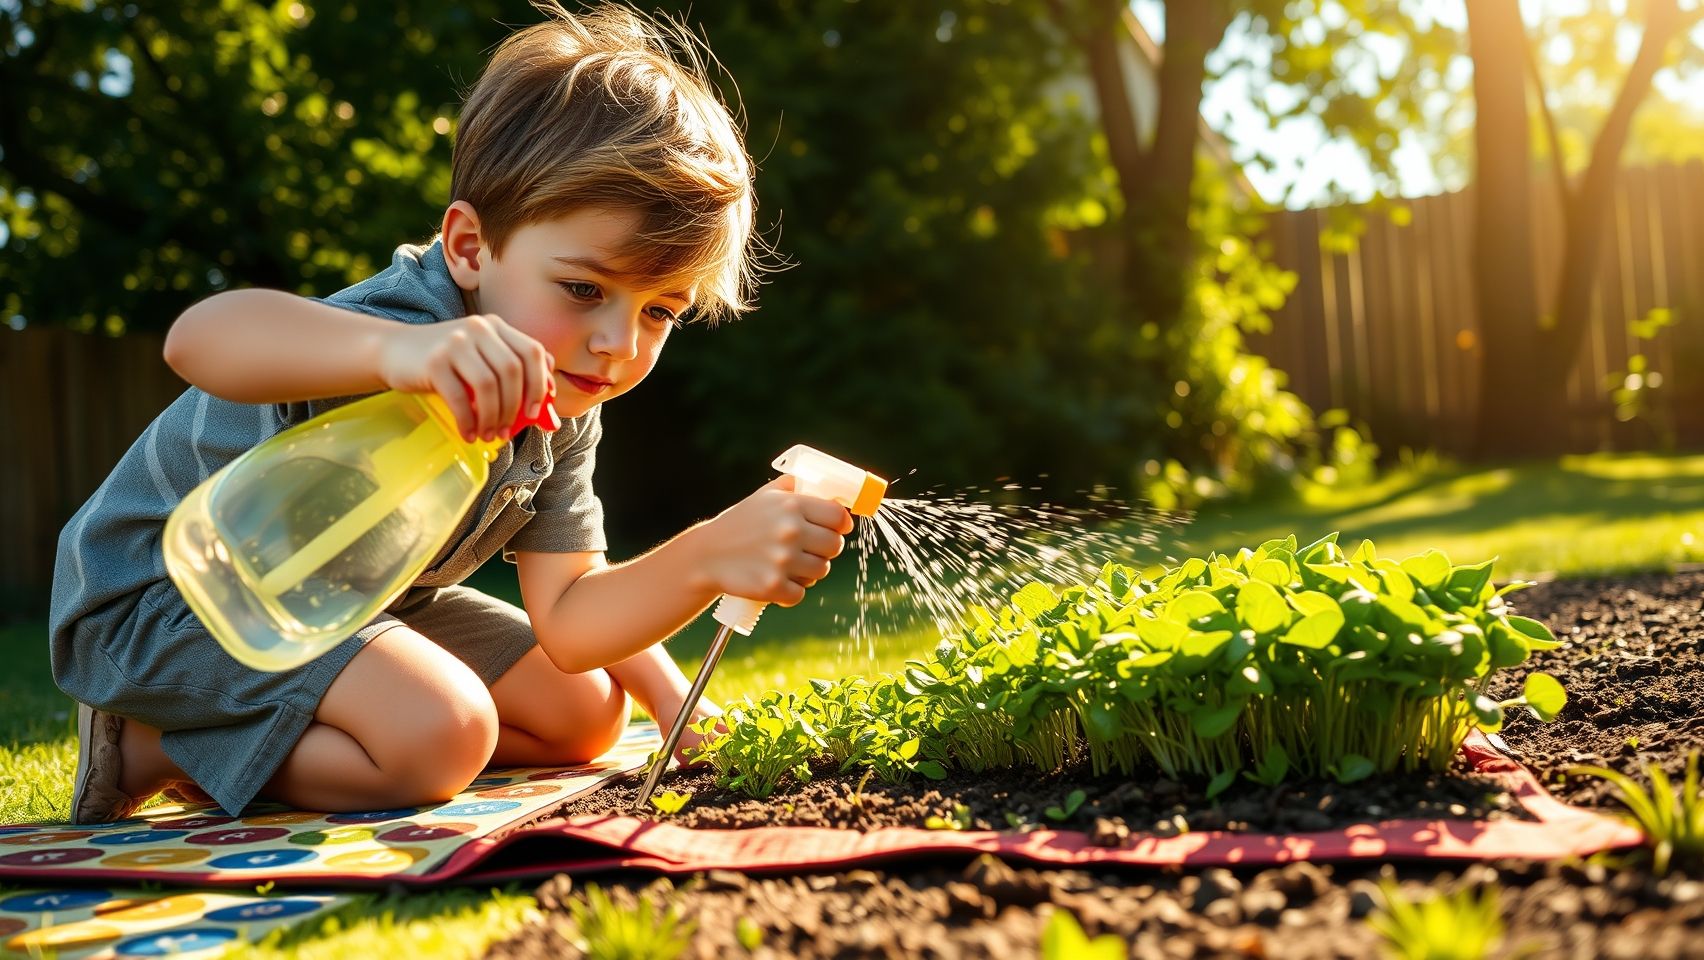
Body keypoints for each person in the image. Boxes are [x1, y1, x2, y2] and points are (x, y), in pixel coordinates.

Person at [49, 2, 852, 823]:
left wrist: (683, 662)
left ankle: (305, 723)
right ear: (470, 247)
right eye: (584, 289)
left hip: (350, 598)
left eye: (659, 311)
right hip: (171, 594)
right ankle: (149, 745)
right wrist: (398, 357)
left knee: (585, 710)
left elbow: (573, 614)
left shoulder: (563, 401)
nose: (617, 343)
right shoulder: (408, 331)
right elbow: (200, 339)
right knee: (443, 736)